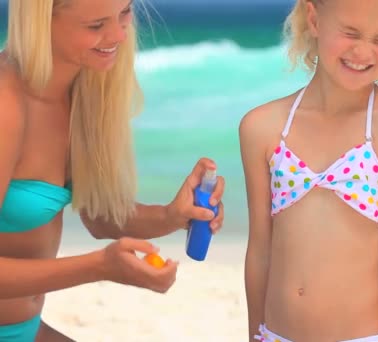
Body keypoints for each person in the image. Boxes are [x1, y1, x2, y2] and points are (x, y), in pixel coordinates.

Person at [0, 0, 225, 341]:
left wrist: (172, 215)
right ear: (42, 21)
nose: (119, 34)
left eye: (125, 13)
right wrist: (98, 267)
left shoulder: (82, 89)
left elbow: (98, 217)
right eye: (96, 26)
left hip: (24, 331)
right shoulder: (6, 105)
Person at [239, 0, 378, 341]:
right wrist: (255, 335)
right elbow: (260, 253)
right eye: (350, 33)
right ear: (314, 20)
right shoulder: (263, 128)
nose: (362, 50)